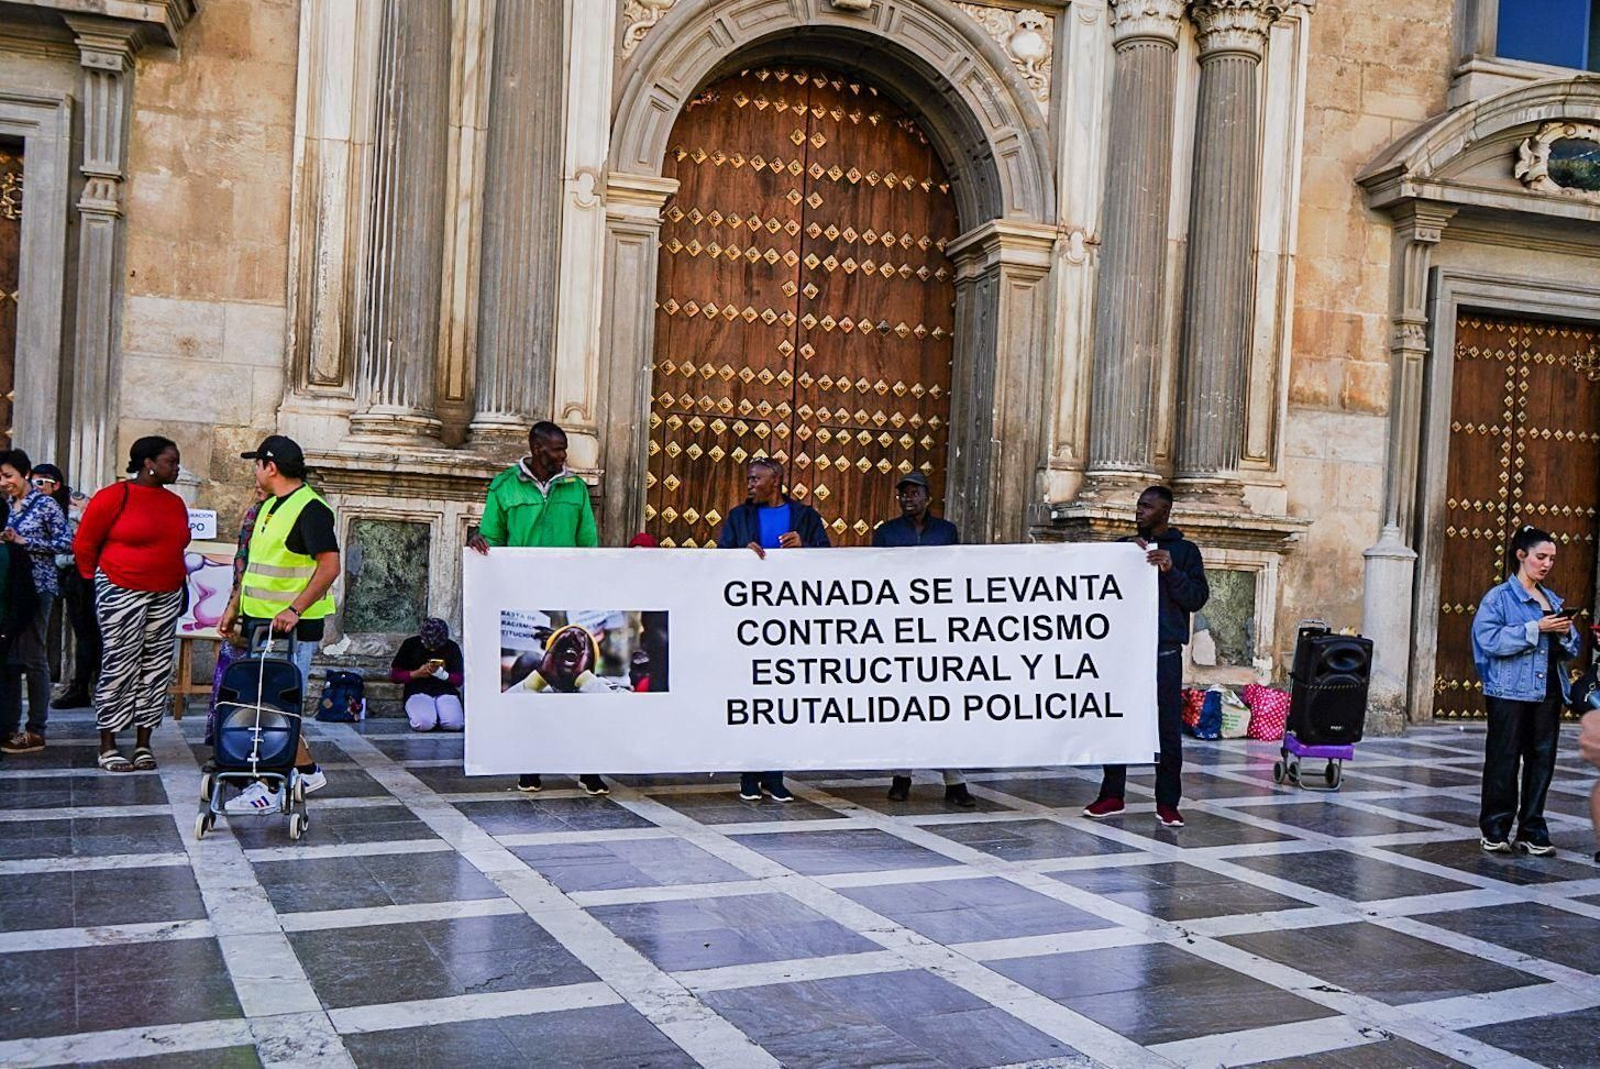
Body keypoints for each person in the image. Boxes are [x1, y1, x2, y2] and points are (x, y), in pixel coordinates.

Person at [468, 420, 608, 797]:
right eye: (556, 449)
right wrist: (479, 543)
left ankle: (587, 768)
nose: (563, 456)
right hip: (522, 599)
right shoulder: (504, 487)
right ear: (535, 446)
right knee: (532, 690)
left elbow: (588, 545)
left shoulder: (575, 488)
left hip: (568, 599)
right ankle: (529, 766)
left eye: (564, 449)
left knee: (577, 698)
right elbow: (492, 540)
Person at [216, 435, 339, 813]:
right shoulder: (269, 507)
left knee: (274, 705)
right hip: (259, 622)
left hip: (292, 629)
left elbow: (329, 566)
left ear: (271, 466)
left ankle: (269, 787)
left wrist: (295, 609)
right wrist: (234, 606)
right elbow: (256, 566)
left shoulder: (310, 509)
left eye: (257, 464)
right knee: (264, 702)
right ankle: (307, 771)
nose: (254, 471)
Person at [1082, 486, 1209, 829]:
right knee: (1116, 719)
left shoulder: (1185, 552)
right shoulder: (1124, 548)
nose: (1139, 511)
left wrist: (1171, 570)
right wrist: (1122, 556)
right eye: (1138, 505)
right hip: (1123, 652)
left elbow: (1196, 598)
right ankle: (1112, 794)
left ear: (1165, 512)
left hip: (1163, 653)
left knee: (1167, 729)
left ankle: (1167, 802)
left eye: (1147, 507)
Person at [73, 438, 192, 773]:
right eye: (171, 461)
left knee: (156, 669)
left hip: (166, 592)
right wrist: (93, 583)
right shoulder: (114, 497)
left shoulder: (174, 503)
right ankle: (108, 744)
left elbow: (178, 544)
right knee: (119, 664)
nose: (176, 467)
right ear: (148, 463)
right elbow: (85, 543)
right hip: (121, 589)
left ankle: (143, 743)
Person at [717, 457, 830, 802]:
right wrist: (740, 553)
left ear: (776, 480)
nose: (750, 484)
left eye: (756, 479)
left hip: (789, 619)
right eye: (749, 479)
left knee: (780, 698)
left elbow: (827, 558)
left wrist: (805, 548)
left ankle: (774, 775)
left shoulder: (805, 517)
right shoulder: (739, 517)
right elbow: (721, 558)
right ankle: (748, 775)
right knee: (751, 696)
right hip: (749, 620)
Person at [1470, 525, 1579, 856]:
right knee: (1503, 760)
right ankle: (1496, 828)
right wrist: (1536, 628)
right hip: (1509, 692)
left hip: (1547, 692)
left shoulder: (1552, 598)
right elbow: (1488, 640)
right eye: (1540, 557)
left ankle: (1532, 829)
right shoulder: (1499, 598)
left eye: (1552, 559)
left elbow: (1572, 647)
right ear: (1521, 555)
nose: (1546, 564)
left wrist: (1563, 633)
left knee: (1541, 761)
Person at [873, 471, 974, 808]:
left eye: (914, 493)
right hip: (899, 631)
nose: (907, 499)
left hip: (938, 630)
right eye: (903, 494)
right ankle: (902, 776)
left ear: (928, 497)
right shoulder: (886, 534)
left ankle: (954, 780)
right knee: (905, 707)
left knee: (941, 708)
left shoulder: (946, 532)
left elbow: (957, 574)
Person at [0, 449, 72, 754]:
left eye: (8, 476)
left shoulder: (45, 506)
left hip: (38, 587)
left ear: (25, 474)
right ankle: (10, 726)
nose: (4, 482)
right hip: (11, 590)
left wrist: (24, 541)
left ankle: (37, 728)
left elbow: (66, 543)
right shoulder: (7, 505)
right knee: (12, 659)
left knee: (33, 656)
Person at [33, 464, 100, 710]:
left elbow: (79, 542)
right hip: (69, 576)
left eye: (41, 482)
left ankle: (83, 686)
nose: (36, 488)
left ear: (56, 484)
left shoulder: (75, 504)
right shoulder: (37, 506)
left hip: (82, 576)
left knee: (87, 633)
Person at [391, 617, 464, 731]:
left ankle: (440, 715)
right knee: (424, 723)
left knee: (454, 724)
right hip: (417, 690)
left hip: (445, 690)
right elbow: (395, 676)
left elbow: (459, 680)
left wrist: (443, 675)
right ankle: (429, 715)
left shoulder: (452, 647)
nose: (432, 649)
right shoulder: (410, 644)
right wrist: (416, 674)